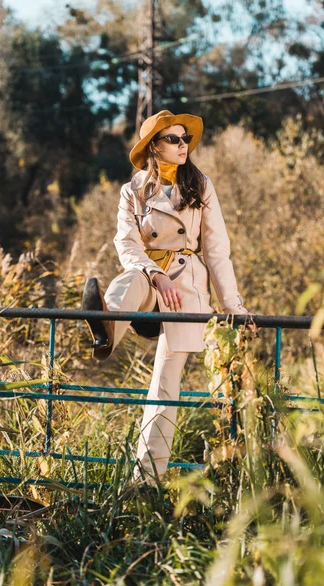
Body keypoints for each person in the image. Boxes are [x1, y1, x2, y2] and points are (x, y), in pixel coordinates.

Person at [82, 109, 250, 484]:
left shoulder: (200, 185)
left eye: (184, 138)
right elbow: (126, 242)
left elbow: (217, 250)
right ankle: (105, 329)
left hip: (186, 287)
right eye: (172, 139)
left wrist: (232, 306)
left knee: (164, 381)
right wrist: (158, 277)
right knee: (130, 280)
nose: (182, 145)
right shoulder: (134, 190)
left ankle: (146, 480)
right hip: (150, 279)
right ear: (153, 147)